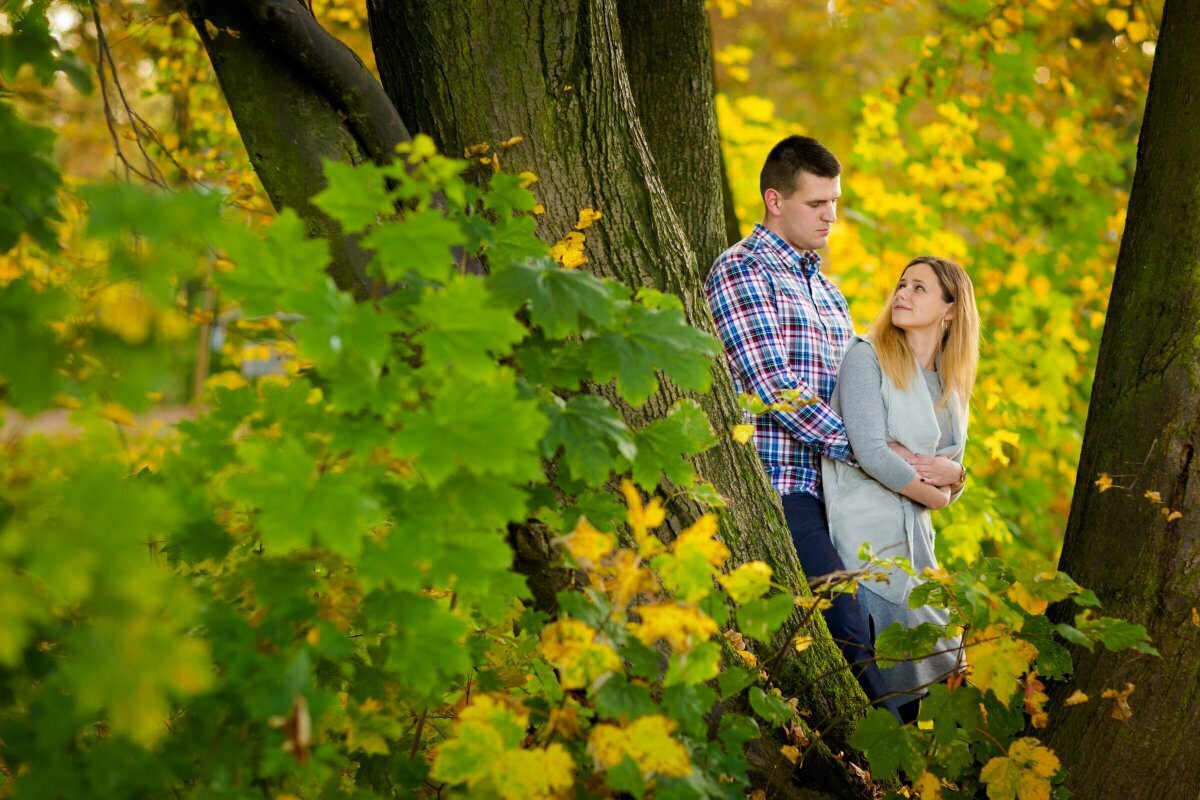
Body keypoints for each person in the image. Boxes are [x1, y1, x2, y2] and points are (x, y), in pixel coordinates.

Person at [705, 135, 951, 716]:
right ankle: (883, 758)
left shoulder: (828, 292)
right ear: (774, 200)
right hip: (782, 488)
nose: (831, 216)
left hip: (847, 495)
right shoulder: (742, 271)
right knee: (844, 624)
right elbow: (773, 390)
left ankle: (915, 751)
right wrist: (872, 452)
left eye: (835, 202)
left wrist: (936, 467)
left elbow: (866, 398)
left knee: (907, 623)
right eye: (817, 203)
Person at [822, 256, 980, 723]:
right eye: (901, 284)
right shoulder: (866, 356)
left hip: (918, 543)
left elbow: (946, 468)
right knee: (890, 658)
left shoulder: (950, 385)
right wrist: (938, 491)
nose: (903, 294)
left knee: (946, 659)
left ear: (950, 309)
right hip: (867, 532)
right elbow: (872, 453)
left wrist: (955, 477)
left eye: (919, 288)